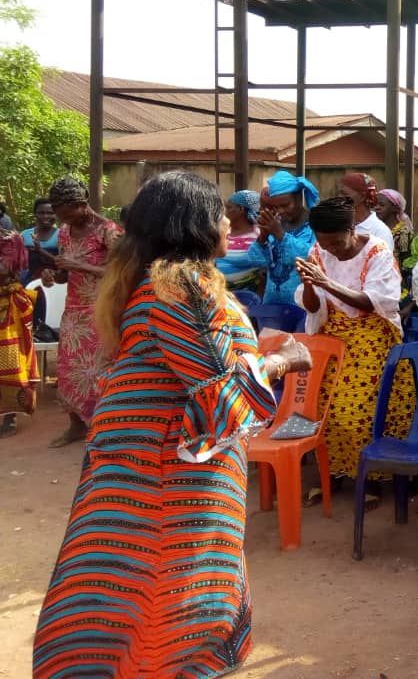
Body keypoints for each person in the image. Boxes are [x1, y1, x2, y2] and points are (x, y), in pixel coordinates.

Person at [32, 172, 312, 677]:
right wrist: (282, 361)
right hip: (169, 478)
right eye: (218, 212)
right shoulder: (185, 286)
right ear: (196, 224)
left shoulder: (150, 278)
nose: (228, 220)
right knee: (175, 598)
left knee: (127, 592)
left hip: (140, 466)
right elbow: (218, 394)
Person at [294, 197, 416, 509]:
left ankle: (371, 477)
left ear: (351, 228)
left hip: (370, 337)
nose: (330, 249)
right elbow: (313, 305)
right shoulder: (318, 252)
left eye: (336, 241)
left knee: (357, 411)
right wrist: (309, 284)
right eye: (324, 243)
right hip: (332, 334)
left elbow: (372, 301)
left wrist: (325, 282)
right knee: (323, 409)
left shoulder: (376, 251)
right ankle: (332, 474)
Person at [41, 177, 120, 448]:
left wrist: (79, 265)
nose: (63, 220)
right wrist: (55, 275)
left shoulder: (108, 231)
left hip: (101, 310)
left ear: (82, 205)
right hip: (74, 312)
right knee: (68, 369)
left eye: (65, 213)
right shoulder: (64, 232)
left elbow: (120, 273)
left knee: (101, 370)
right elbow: (67, 273)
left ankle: (104, 428)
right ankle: (75, 425)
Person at [247, 170, 319, 306]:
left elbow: (312, 258)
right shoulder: (275, 223)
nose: (280, 211)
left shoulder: (315, 225)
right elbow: (257, 263)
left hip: (303, 306)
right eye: (275, 207)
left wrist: (280, 234)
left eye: (285, 205)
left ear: (299, 197)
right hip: (272, 305)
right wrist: (263, 236)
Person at [0, 229, 37, 437]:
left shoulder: (9, 238)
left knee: (10, 361)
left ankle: (10, 415)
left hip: (8, 305)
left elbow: (4, 270)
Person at [216, 189, 262, 291]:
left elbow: (263, 271)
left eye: (228, 207)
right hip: (218, 293)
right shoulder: (222, 231)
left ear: (241, 209)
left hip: (246, 296)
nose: (224, 211)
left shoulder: (259, 235)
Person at [339, 172, 394, 250]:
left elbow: (384, 260)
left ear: (362, 196)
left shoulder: (380, 231)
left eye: (345, 195)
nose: (340, 199)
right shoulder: (339, 225)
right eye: (340, 194)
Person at [20, 198, 59, 283]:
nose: (45, 216)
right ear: (35, 214)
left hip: (55, 282)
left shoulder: (62, 235)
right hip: (29, 283)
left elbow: (64, 263)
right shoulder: (25, 235)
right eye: (41, 213)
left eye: (50, 213)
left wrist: (40, 250)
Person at [375, 187, 414, 268]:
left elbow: (404, 261)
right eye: (375, 204)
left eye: (382, 205)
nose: (376, 207)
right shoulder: (375, 227)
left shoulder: (404, 233)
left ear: (395, 208)